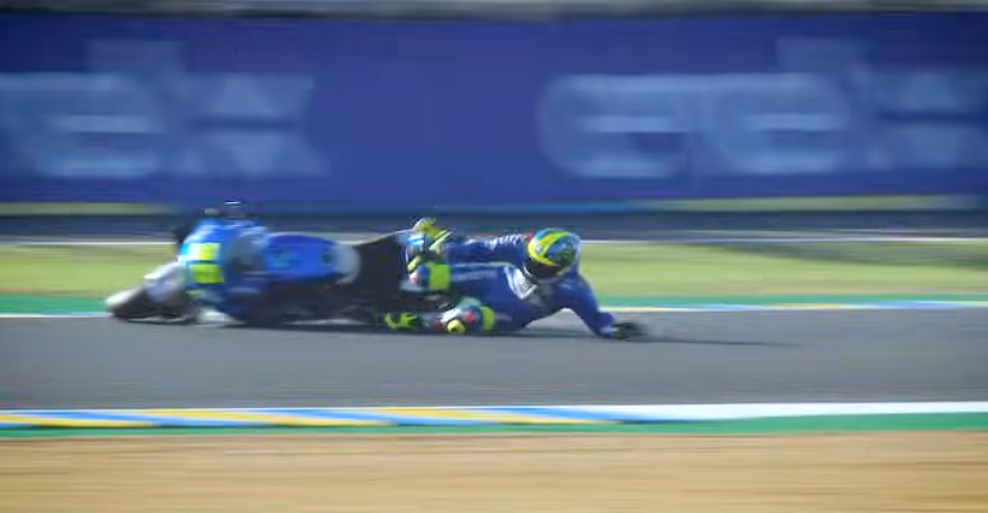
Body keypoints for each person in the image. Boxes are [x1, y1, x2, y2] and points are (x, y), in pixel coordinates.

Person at [376, 219, 643, 340]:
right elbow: (481, 250)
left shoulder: (574, 289)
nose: (533, 267)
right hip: (494, 280)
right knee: (422, 275)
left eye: (542, 266)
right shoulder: (519, 245)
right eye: (532, 260)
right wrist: (445, 248)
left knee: (463, 321)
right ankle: (412, 250)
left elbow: (599, 322)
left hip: (507, 316)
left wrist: (615, 330)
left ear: (563, 267)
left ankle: (420, 321)